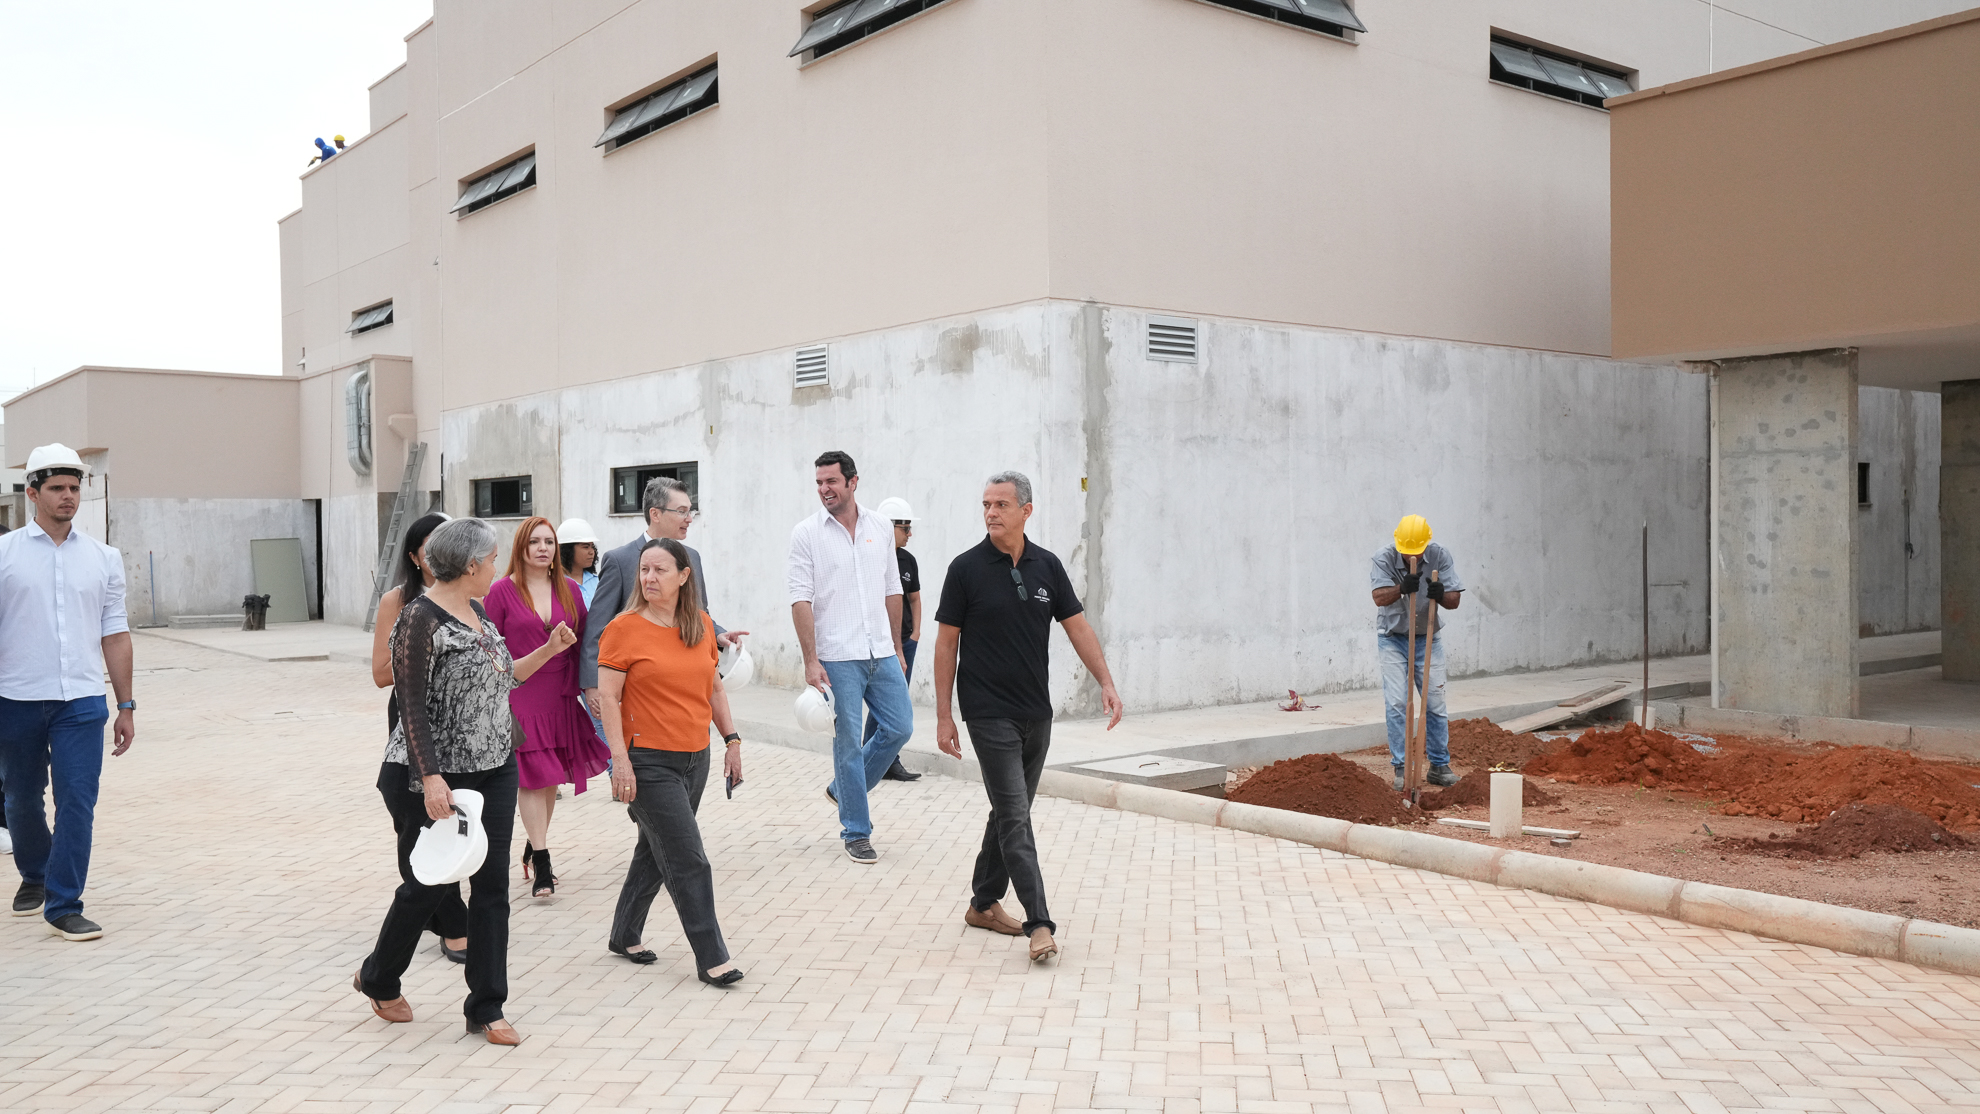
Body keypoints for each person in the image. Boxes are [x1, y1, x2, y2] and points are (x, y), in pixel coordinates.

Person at [356, 517, 576, 1046]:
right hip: (432, 774)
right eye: (494, 559)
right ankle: (379, 977)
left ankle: (486, 1007)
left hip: (495, 765)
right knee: (428, 885)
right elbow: (409, 704)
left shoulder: (479, 611)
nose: (498, 567)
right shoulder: (419, 617)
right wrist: (432, 779)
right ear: (472, 564)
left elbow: (503, 676)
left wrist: (549, 649)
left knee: (491, 887)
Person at [933, 470, 1123, 963]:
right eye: (986, 504)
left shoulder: (1047, 566)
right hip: (987, 713)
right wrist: (944, 715)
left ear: (1026, 511)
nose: (990, 512)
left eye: (1000, 504)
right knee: (1016, 817)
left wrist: (1106, 682)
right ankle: (1040, 923)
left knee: (1008, 812)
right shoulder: (965, 569)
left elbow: (1077, 628)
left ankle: (982, 903)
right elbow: (946, 644)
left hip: (1036, 712)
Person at [0, 444, 135, 941]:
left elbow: (115, 633)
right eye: (57, 488)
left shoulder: (104, 558)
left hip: (81, 700)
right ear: (33, 493)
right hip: (15, 698)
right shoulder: (5, 555)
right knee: (20, 798)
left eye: (74, 488)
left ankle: (63, 903)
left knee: (77, 798)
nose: (68, 496)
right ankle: (35, 873)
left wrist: (125, 705)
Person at [597, 538, 746, 985]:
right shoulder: (623, 629)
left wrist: (732, 740)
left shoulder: (700, 624)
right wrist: (619, 760)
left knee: (654, 847)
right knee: (688, 858)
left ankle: (625, 934)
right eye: (644, 569)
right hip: (647, 761)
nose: (649, 578)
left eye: (660, 570)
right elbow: (608, 698)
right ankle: (712, 957)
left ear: (683, 576)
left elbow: (714, 687)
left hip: (695, 757)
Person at [788, 450, 913, 864]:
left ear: (853, 482)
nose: (824, 489)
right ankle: (856, 830)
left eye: (832, 481)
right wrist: (811, 660)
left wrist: (897, 646)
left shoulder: (880, 526)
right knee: (847, 746)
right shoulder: (806, 534)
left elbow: (892, 588)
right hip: (837, 657)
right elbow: (800, 598)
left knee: (900, 728)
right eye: (819, 483)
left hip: (881, 650)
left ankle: (842, 789)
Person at [484, 516, 606, 897]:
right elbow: (491, 649)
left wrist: (590, 689)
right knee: (533, 775)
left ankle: (534, 844)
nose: (542, 548)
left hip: (559, 693)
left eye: (549, 542)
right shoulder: (501, 591)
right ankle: (543, 861)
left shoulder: (569, 589)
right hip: (520, 692)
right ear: (521, 547)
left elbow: (584, 642)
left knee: (550, 777)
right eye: (534, 541)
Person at [370, 511, 468, 963]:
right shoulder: (399, 601)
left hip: (459, 719)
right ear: (414, 556)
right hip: (413, 711)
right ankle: (452, 923)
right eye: (431, 547)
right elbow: (379, 673)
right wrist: (423, 653)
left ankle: (445, 915)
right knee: (418, 816)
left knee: (453, 815)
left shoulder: (469, 596)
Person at [583, 477, 744, 726]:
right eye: (681, 511)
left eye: (690, 511)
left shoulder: (692, 558)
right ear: (655, 514)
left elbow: (700, 612)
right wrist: (593, 685)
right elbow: (597, 627)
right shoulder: (620, 560)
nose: (689, 519)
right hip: (638, 694)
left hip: (687, 691)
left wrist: (719, 635)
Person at [1370, 515, 1464, 792]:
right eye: (1406, 551)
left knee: (1434, 702)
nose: (1412, 555)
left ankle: (1439, 766)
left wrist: (1441, 593)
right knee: (1398, 703)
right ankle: (1402, 767)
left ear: (1426, 544)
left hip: (1428, 636)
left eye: (1417, 551)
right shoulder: (1383, 557)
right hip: (1392, 637)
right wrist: (1401, 588)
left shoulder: (1439, 555)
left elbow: (1454, 600)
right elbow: (1378, 597)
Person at [869, 497, 922, 783]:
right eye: (905, 528)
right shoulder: (870, 557)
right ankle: (876, 759)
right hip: (880, 646)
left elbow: (914, 599)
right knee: (883, 704)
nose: (910, 534)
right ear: (889, 527)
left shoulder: (908, 561)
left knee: (893, 704)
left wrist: (915, 635)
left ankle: (885, 760)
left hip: (905, 643)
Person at [557, 518, 602, 608]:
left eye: (592, 547)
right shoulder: (555, 583)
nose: (591, 552)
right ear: (568, 550)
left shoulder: (598, 581)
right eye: (586, 547)